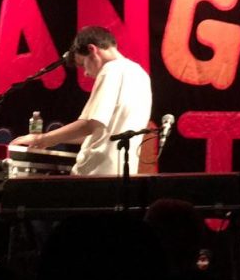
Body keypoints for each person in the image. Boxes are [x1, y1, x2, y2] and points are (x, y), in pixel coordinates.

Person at [11, 26, 152, 176]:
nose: (85, 73)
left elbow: (90, 124)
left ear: (92, 50)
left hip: (94, 173)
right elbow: (101, 131)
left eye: (83, 64)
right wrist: (52, 140)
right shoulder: (140, 75)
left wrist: (42, 138)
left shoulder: (111, 70)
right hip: (122, 173)